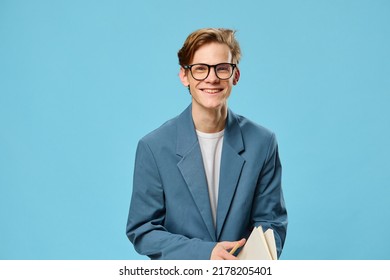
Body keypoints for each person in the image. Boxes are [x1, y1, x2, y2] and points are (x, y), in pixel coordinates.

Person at [126, 28, 287, 260]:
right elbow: (143, 230)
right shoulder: (153, 147)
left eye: (222, 68)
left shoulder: (263, 142)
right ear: (184, 76)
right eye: (200, 69)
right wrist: (205, 253)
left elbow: (271, 223)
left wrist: (245, 265)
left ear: (235, 75)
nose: (211, 78)